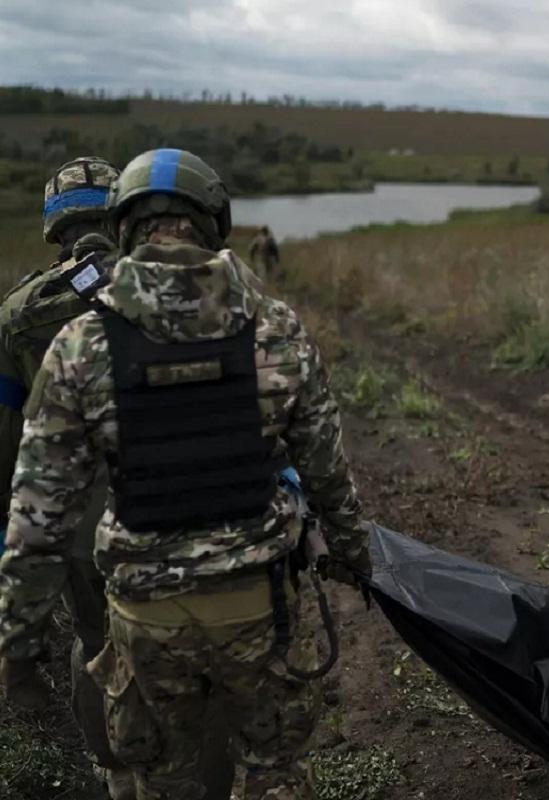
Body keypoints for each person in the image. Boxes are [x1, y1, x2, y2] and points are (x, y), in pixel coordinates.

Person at [0, 147, 372, 800]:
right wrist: (351, 552)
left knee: (159, 776)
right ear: (215, 220)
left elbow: (37, 521)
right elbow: (325, 473)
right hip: (257, 605)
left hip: (142, 613)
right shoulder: (275, 328)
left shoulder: (81, 344)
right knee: (271, 771)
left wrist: (18, 644)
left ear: (124, 226)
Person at [0, 156, 138, 797]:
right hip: (171, 506)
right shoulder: (167, 288)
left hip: (77, 522)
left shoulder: (18, 314)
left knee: (95, 639)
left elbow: (8, 443)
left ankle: (116, 778)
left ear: (54, 227)